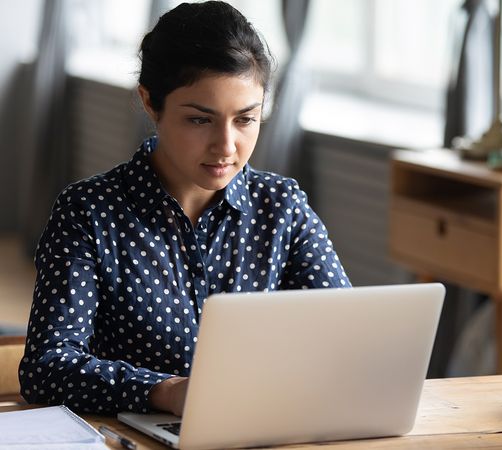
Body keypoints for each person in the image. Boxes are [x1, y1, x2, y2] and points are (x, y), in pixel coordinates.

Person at [19, 1, 350, 417]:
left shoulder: (282, 207)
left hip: (264, 428)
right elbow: (46, 368)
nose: (226, 147)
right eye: (200, 120)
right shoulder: (90, 212)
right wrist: (165, 392)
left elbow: (345, 337)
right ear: (150, 103)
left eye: (246, 120)